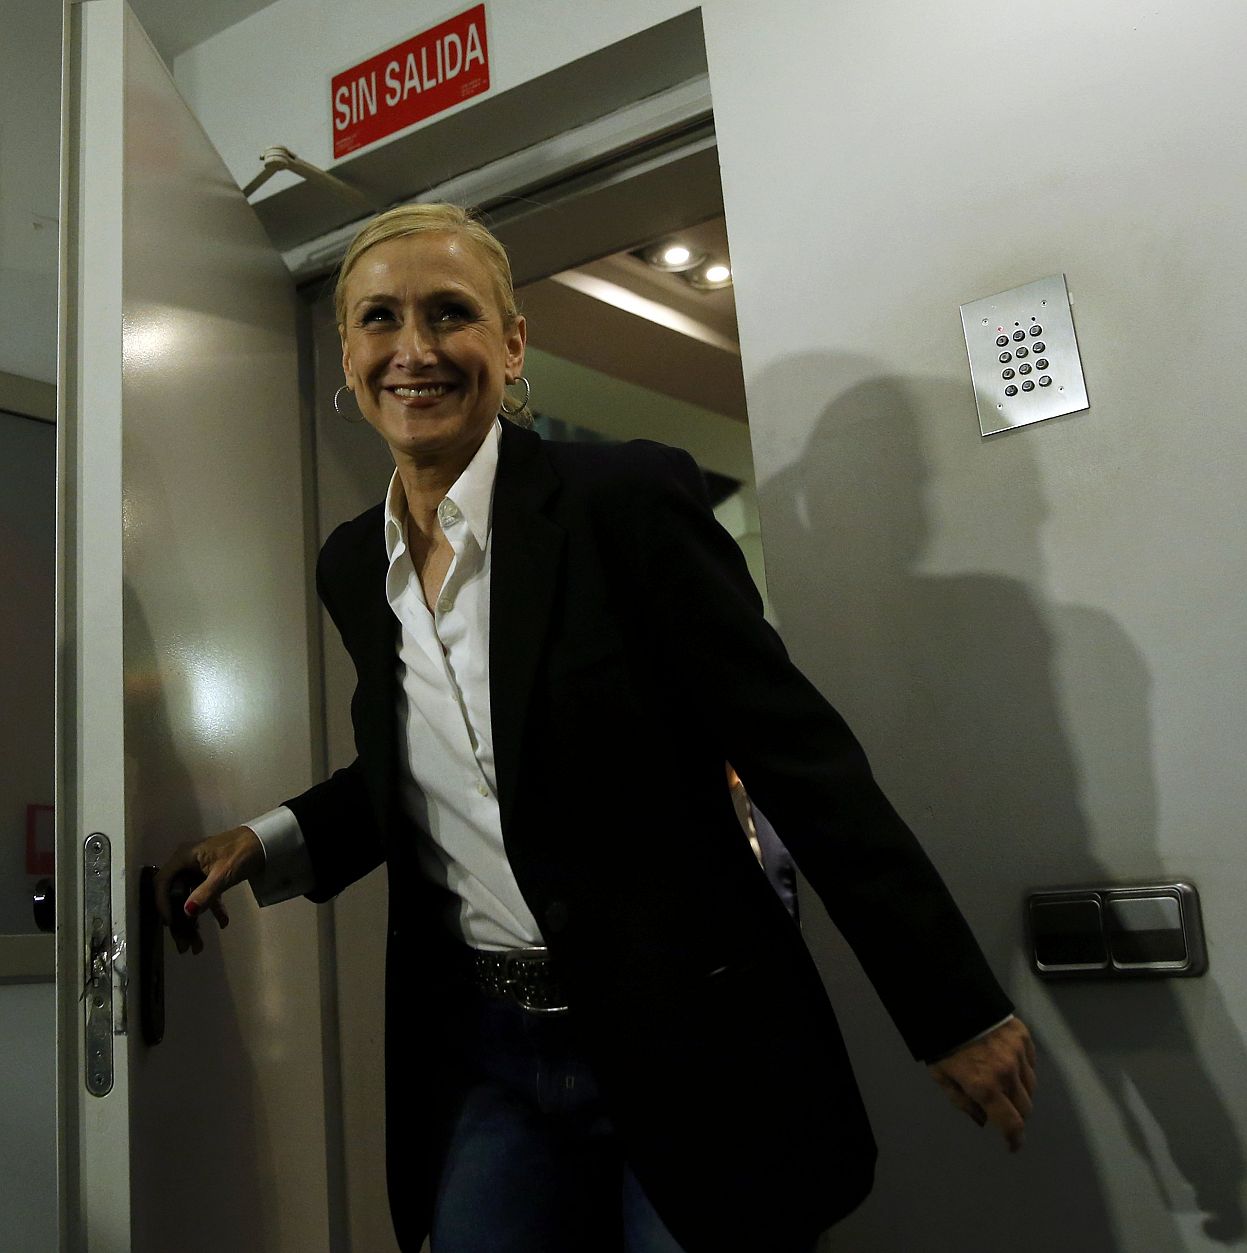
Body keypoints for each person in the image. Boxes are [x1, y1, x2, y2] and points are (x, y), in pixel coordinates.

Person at [156, 202, 1035, 1253]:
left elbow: (800, 761)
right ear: (347, 353)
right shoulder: (355, 563)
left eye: (450, 314)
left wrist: (952, 1008)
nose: (415, 350)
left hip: (691, 1042)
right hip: (490, 1051)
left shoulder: (623, 503)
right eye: (380, 320)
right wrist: (272, 839)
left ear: (512, 342)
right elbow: (437, 767)